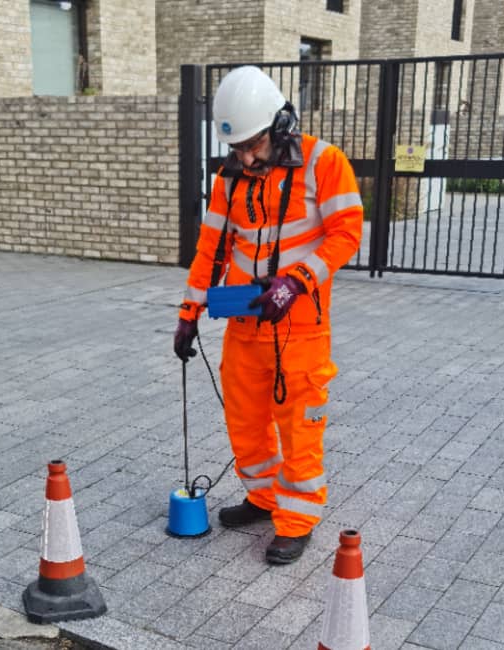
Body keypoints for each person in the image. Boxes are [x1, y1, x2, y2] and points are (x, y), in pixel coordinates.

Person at [173, 66, 363, 564]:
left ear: (280, 128)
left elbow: (346, 233)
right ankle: (262, 498)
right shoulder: (230, 177)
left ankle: (297, 519)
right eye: (236, 149)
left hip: (300, 329)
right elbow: (210, 247)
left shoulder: (324, 162)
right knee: (245, 421)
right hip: (244, 324)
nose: (245, 156)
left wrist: (296, 281)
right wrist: (189, 311)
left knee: (299, 426)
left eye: (253, 145)